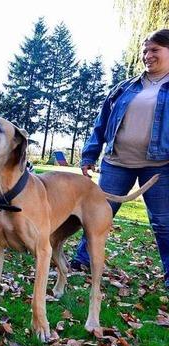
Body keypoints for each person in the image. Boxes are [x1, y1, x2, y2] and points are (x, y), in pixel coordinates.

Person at [71, 29, 169, 290]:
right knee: (97, 213)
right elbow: (101, 124)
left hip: (159, 167)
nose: (148, 56)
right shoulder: (125, 88)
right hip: (117, 162)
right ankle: (82, 260)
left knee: (163, 222)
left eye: (154, 50)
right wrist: (90, 154)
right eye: (145, 51)